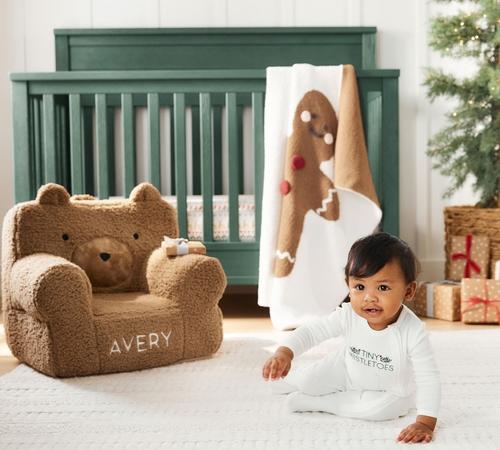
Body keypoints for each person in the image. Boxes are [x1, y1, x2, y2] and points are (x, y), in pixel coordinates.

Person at [262, 232, 440, 444]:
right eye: (359, 287)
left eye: (383, 287)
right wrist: (285, 353)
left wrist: (425, 421)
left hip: (390, 390)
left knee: (381, 410)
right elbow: (312, 332)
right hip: (346, 369)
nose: (369, 297)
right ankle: (292, 381)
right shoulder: (348, 314)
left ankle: (314, 402)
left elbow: (428, 377)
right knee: (310, 380)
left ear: (409, 291)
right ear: (348, 285)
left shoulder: (413, 331)